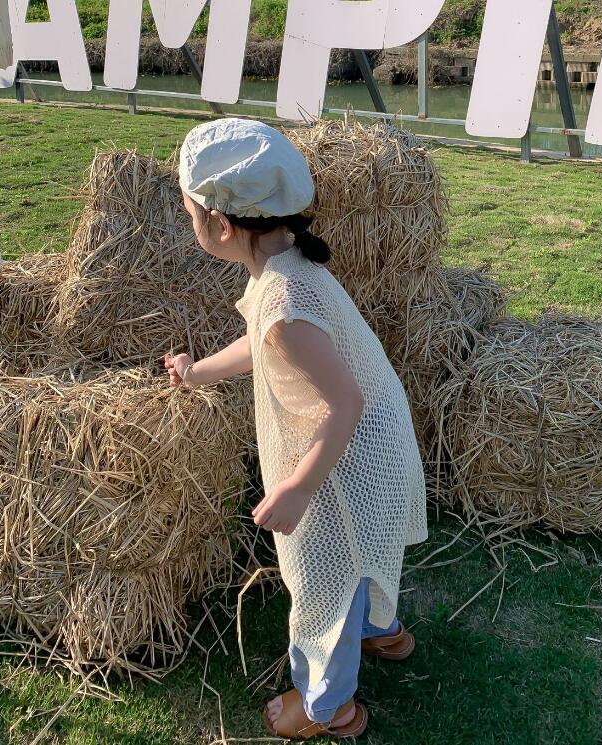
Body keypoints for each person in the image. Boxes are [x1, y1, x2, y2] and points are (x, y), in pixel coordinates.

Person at [165, 118, 428, 740]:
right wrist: (198, 372)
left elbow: (343, 403)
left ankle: (328, 707)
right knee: (362, 559)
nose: (189, 222)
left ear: (221, 225)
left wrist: (298, 488)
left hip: (342, 462)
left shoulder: (287, 306)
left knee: (324, 579)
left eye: (189, 212)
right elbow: (259, 342)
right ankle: (383, 632)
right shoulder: (285, 265)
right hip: (367, 448)